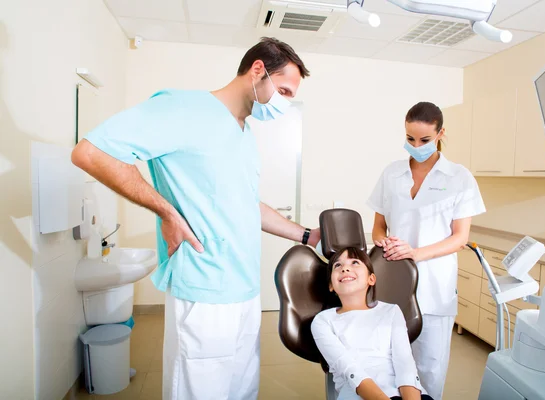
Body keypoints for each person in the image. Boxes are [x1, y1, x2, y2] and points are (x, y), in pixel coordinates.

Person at [71, 37, 321, 400]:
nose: (283, 102)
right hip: (205, 293)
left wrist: (305, 235)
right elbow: (89, 153)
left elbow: (245, 204)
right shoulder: (183, 109)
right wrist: (166, 211)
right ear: (257, 71)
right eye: (282, 90)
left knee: (241, 389)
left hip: (245, 291)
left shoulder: (244, 132)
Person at [367, 102, 486, 400]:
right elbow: (378, 227)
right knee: (387, 365)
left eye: (424, 140)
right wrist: (384, 242)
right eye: (409, 139)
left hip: (435, 287)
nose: (416, 146)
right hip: (392, 283)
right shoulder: (392, 173)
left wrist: (415, 254)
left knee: (429, 369)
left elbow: (460, 238)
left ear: (440, 133)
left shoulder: (459, 178)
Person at [311, 247, 433, 400]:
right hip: (360, 394)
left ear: (371, 279)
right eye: (337, 265)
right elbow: (351, 371)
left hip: (406, 393)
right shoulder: (323, 321)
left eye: (355, 262)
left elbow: (405, 364)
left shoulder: (391, 311)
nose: (345, 268)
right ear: (331, 285)